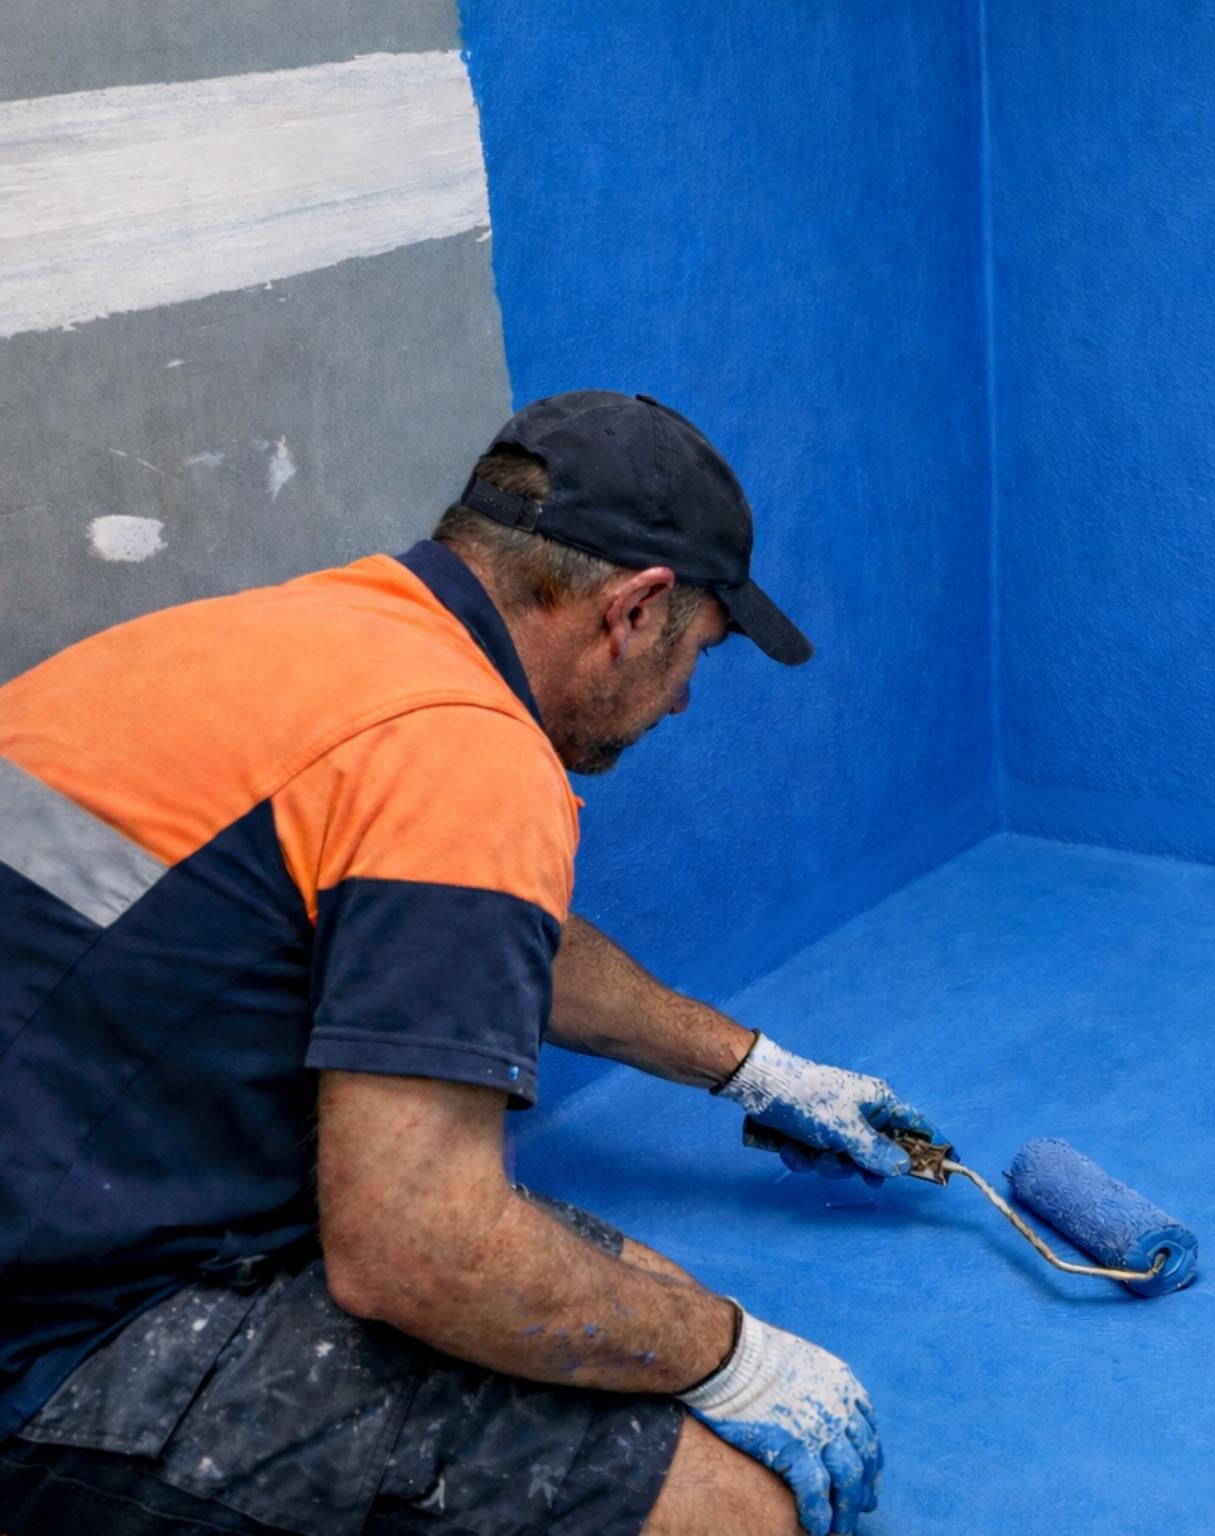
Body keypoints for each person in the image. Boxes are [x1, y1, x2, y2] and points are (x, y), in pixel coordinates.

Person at [0, 391, 934, 1536]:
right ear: (635, 612)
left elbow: (474, 942)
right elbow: (413, 1252)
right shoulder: (466, 754)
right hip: (60, 1336)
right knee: (745, 1502)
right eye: (699, 651)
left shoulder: (288, 640)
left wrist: (753, 1069)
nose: (686, 697)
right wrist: (737, 1357)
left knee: (648, 1305)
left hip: (69, 1169)